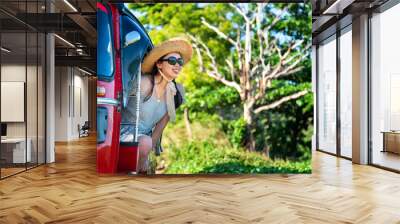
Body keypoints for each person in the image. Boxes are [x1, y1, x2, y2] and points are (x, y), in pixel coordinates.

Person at [120, 38, 193, 174]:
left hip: (145, 140)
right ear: (159, 64)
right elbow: (119, 102)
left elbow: (160, 127)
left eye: (180, 62)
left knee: (146, 147)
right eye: (172, 61)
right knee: (145, 144)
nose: (177, 65)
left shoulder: (176, 92)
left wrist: (147, 153)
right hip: (123, 132)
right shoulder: (144, 83)